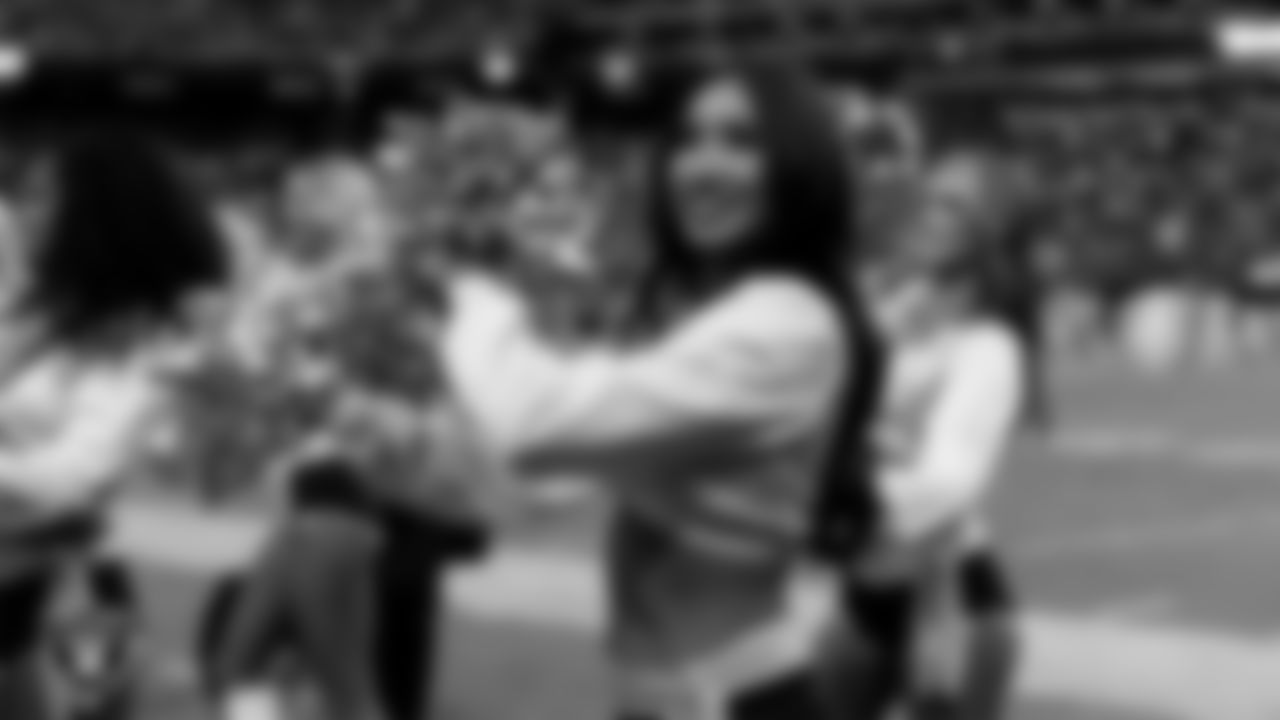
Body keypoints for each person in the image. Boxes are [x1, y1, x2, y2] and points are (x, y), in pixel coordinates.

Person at [433, 57, 877, 720]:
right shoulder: (724, 311)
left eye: (741, 142)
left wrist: (477, 284)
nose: (701, 165)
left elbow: (537, 424)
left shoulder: (787, 324)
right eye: (688, 140)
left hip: (732, 699)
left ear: (800, 168)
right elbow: (555, 478)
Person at [0, 131, 228, 720]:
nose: (21, 212)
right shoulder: (39, 313)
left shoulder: (158, 338)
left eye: (41, 198)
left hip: (54, 590)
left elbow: (76, 477)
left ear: (100, 213)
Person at [834, 150, 1027, 720]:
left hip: (953, 600)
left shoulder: (988, 348)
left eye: (954, 204)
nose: (928, 209)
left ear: (988, 233)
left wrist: (835, 492)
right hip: (867, 591)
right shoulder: (884, 315)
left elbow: (950, 483)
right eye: (929, 194)